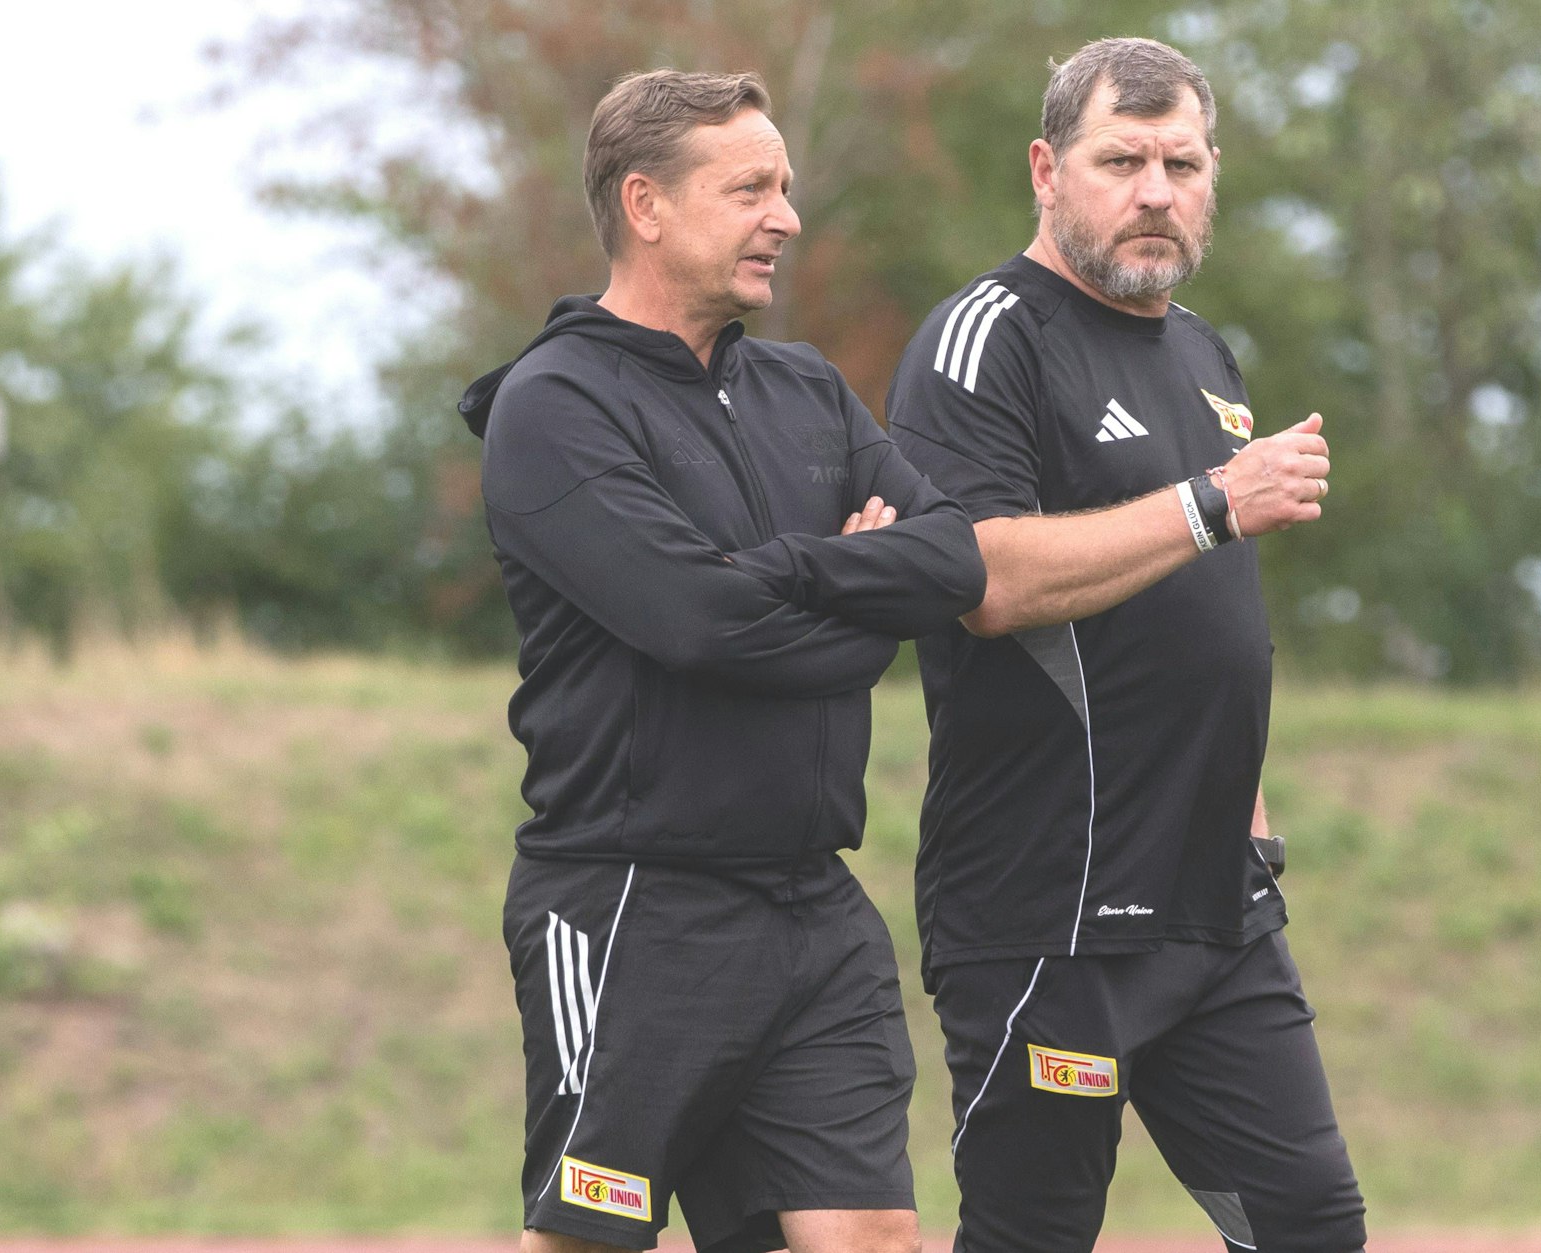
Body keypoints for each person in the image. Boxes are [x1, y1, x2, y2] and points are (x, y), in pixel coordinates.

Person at [458, 69, 984, 1253]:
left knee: (876, 1237)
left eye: (785, 188)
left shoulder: (803, 388)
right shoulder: (553, 403)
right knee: (586, 1240)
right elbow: (697, 621)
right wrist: (856, 593)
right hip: (634, 903)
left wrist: (783, 577)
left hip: (812, 906)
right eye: (750, 187)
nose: (785, 217)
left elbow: (952, 559)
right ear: (644, 204)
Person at [884, 37, 1366, 1253]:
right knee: (1031, 1234)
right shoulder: (984, 336)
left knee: (1311, 1225)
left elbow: (1206, 631)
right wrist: (1214, 500)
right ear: (1046, 169)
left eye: (1181, 162)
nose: (1154, 190)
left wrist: (1249, 819)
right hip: (1051, 913)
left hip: (1217, 905)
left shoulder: (1205, 354)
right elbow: (982, 575)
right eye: (1121, 160)